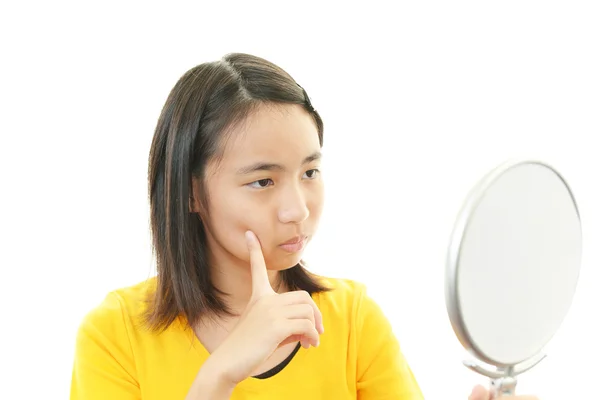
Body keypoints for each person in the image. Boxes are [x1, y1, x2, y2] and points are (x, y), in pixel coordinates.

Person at [69, 53, 539, 400]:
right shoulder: (115, 335)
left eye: (310, 172)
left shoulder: (352, 320)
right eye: (262, 181)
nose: (297, 208)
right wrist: (220, 376)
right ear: (191, 192)